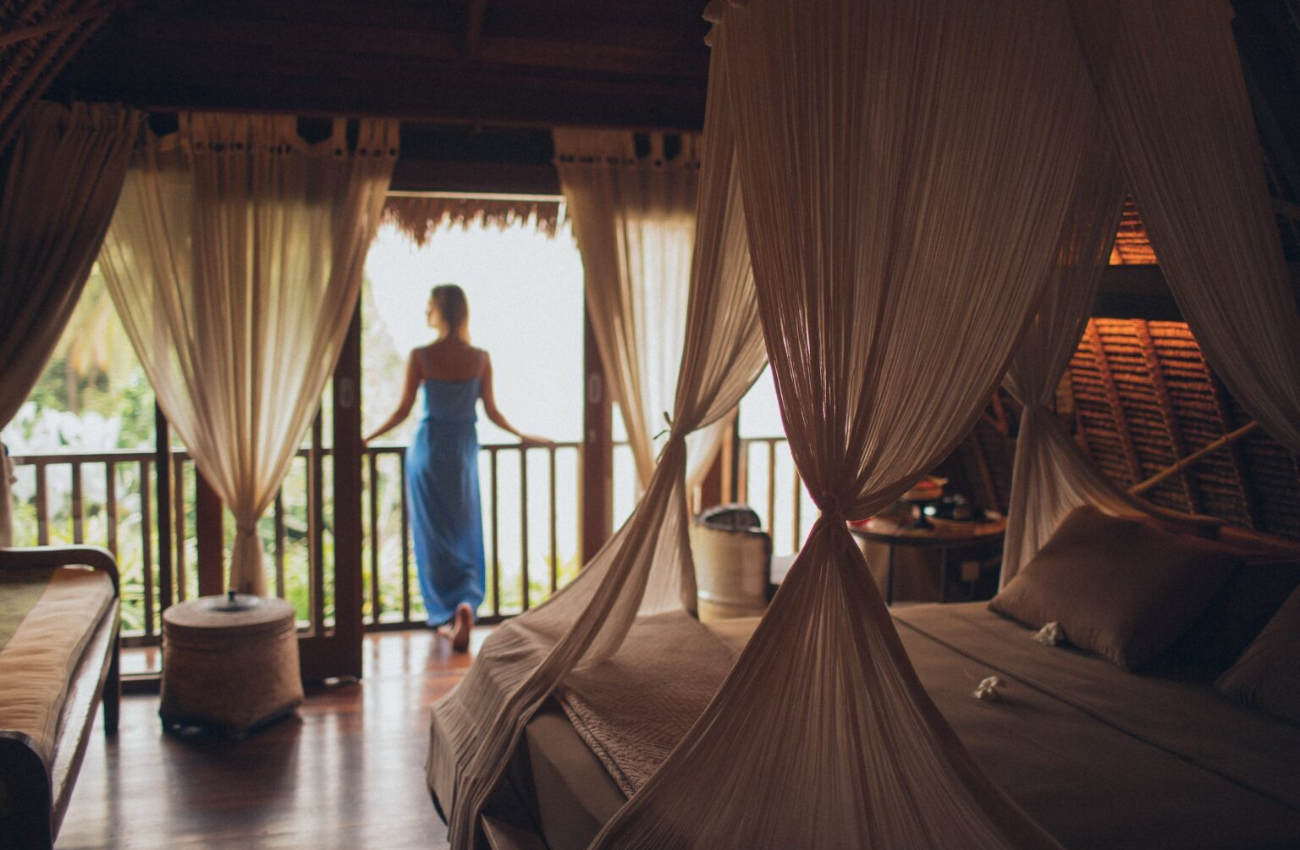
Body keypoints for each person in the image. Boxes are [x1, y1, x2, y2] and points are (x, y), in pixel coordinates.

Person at [365, 284, 549, 651]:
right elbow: (493, 413)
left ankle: (449, 615)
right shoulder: (479, 358)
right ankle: (465, 605)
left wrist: (366, 439)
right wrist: (523, 436)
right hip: (462, 453)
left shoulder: (422, 356)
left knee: (434, 538)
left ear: (442, 311)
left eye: (429, 306)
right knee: (465, 531)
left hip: (429, 451)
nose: (425, 313)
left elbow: (402, 411)